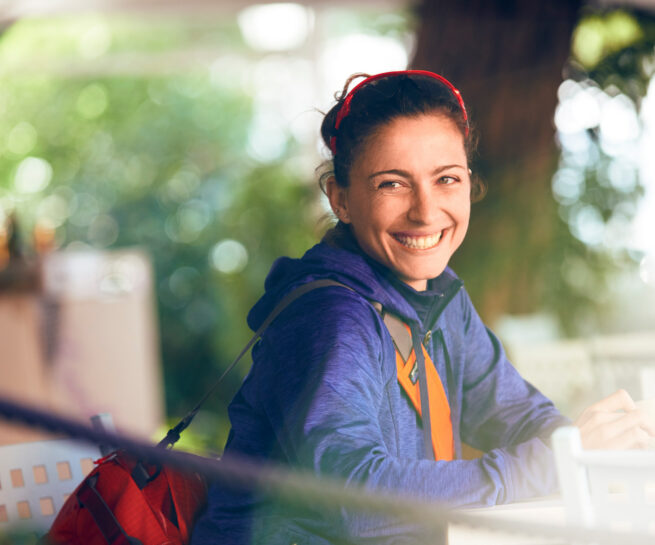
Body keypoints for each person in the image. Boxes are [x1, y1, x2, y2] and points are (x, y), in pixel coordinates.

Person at [190, 70, 655, 545]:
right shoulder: (331, 318)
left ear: (468, 182)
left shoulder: (440, 297)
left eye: (446, 179)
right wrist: (555, 462)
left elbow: (519, 416)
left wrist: (584, 450)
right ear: (341, 199)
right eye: (393, 184)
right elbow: (357, 500)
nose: (426, 211)